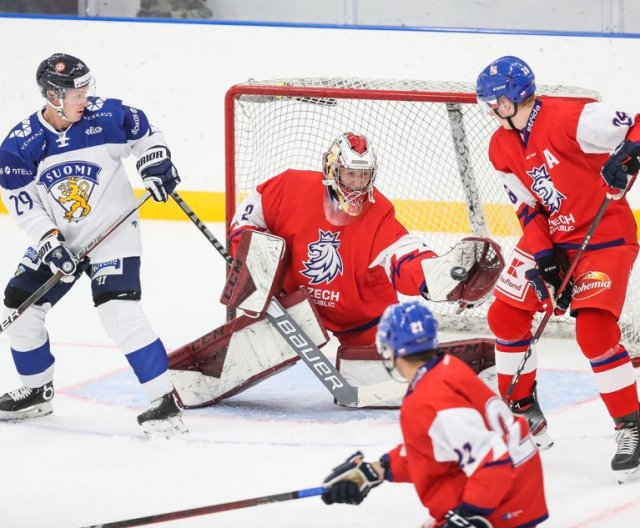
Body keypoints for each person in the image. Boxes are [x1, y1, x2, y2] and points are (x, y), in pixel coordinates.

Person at [173, 131, 501, 407]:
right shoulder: (291, 187)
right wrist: (248, 250)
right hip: (296, 305)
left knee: (380, 374)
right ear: (332, 169)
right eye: (350, 174)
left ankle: (460, 377)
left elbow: (403, 255)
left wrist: (437, 276)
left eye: (364, 175)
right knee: (259, 341)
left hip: (361, 316)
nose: (357, 184)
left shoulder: (380, 213)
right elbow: (249, 214)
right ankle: (196, 374)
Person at [0, 53, 185, 436]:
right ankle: (37, 391)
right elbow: (23, 204)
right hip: (60, 238)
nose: (85, 97)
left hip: (113, 233)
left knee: (119, 311)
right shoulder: (20, 145)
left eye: (86, 88)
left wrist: (155, 162)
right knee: (20, 306)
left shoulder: (107, 116)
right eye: (76, 92)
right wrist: (50, 243)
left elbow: (145, 132)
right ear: (53, 96)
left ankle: (164, 402)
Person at [475, 55, 640, 481]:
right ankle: (523, 410)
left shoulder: (574, 117)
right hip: (555, 241)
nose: (490, 110)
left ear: (512, 99)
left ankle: (631, 425)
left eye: (494, 102)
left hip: (605, 236)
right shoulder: (501, 145)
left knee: (594, 330)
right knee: (505, 314)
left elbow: (637, 123)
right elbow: (526, 207)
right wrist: (545, 258)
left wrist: (628, 154)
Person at [321, 300, 549, 527]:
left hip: (499, 502)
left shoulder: (429, 397)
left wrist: (469, 516)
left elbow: (492, 459)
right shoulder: (447, 368)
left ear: (387, 347)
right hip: (514, 489)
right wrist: (376, 470)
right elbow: (433, 448)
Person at [136, 0, 213, 19]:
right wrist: (142, 14)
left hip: (181, 34)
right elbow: (144, 8)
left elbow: (205, 13)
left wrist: (171, 16)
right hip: (152, 32)